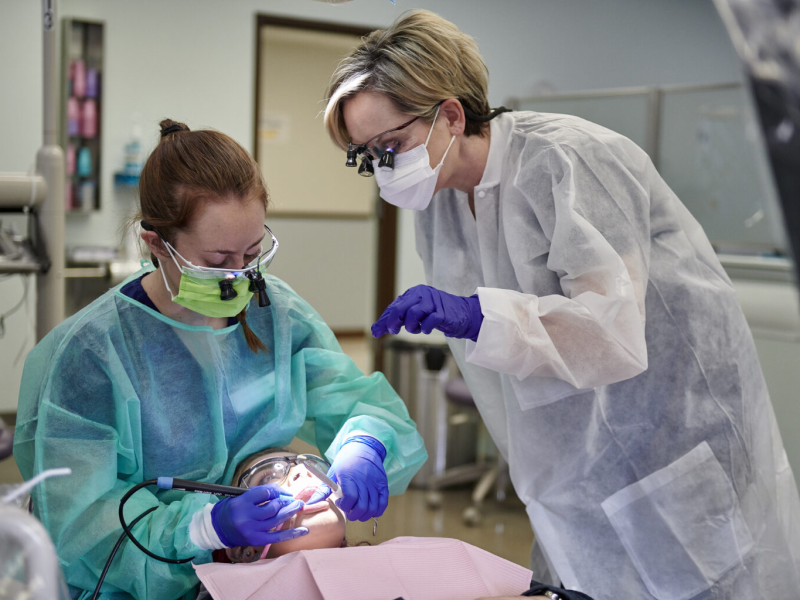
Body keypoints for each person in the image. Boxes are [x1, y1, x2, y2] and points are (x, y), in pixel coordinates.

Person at [321, 10, 800, 600]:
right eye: (367, 156)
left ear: (450, 113)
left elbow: (614, 333)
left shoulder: (570, 160)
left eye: (391, 145)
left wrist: (477, 314)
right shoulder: (440, 206)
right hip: (566, 462)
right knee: (582, 579)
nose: (384, 169)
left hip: (671, 438)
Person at [13, 120, 427, 600]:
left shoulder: (277, 315)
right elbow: (84, 524)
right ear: (156, 246)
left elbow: (357, 402)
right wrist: (204, 531)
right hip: (137, 582)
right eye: (217, 261)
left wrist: (366, 444)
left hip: (252, 576)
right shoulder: (91, 354)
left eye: (252, 254)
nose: (241, 278)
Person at [198, 446, 593, 600]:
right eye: (271, 477)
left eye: (309, 465)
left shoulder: (405, 555)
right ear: (242, 549)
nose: (304, 475)